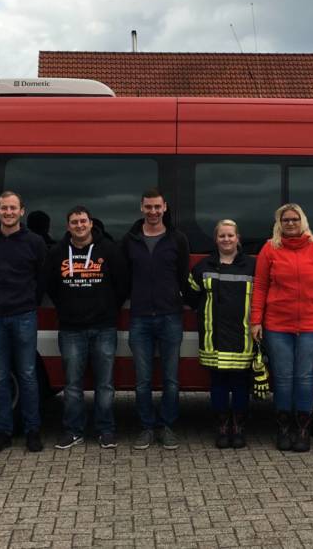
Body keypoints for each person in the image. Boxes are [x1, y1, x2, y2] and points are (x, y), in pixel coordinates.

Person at [250, 203, 313, 453]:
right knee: (284, 378)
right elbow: (261, 287)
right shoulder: (270, 248)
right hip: (278, 325)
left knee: (305, 378)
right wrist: (256, 320)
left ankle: (302, 429)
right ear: (279, 223)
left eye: (294, 219)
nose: (290, 223)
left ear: (303, 221)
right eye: (285, 220)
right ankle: (283, 428)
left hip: (311, 324)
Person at [41, 206, 128, 450]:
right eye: (74, 222)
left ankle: (106, 430)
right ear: (68, 226)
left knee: (105, 384)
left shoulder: (109, 250)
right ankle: (73, 430)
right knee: (72, 384)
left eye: (83, 221)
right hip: (70, 329)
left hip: (104, 327)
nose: (79, 225)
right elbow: (49, 284)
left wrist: (108, 308)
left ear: (91, 224)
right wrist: (67, 307)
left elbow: (122, 284)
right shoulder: (58, 252)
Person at [0, 191, 48, 454]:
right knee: (1, 375)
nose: (8, 212)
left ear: (22, 211)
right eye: (3, 208)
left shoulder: (34, 242)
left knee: (27, 375)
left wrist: (28, 302)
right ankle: (3, 432)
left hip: (24, 315)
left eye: (13, 208)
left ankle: (32, 431)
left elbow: (41, 278)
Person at [121, 188, 191, 450]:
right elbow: (123, 276)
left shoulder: (177, 239)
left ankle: (167, 426)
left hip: (170, 316)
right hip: (139, 317)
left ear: (165, 208)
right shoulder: (130, 240)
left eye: (157, 207)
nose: (152, 212)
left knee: (171, 379)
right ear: (141, 208)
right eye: (148, 207)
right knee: (143, 379)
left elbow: (183, 275)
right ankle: (146, 427)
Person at [185, 219, 256, 449]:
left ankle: (239, 427)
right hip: (212, 336)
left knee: (240, 385)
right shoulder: (203, 266)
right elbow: (190, 295)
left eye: (230, 235)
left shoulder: (251, 266)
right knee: (218, 385)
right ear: (216, 239)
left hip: (241, 336)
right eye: (222, 236)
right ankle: (222, 428)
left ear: (238, 238)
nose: (226, 240)